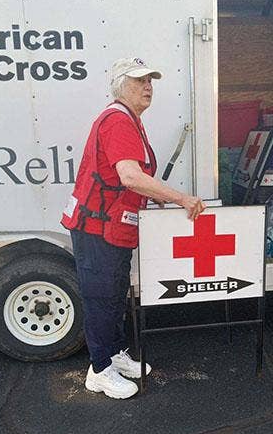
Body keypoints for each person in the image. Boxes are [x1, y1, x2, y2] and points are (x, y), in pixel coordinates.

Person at [62, 57, 206, 398]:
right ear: (120, 85)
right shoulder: (118, 121)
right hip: (98, 228)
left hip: (113, 227)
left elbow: (129, 180)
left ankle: (113, 355)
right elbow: (130, 176)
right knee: (101, 298)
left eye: (151, 81)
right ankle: (99, 370)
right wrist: (179, 198)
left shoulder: (129, 120)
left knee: (114, 296)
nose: (148, 86)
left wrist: (152, 196)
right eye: (140, 80)